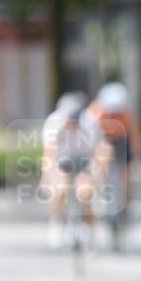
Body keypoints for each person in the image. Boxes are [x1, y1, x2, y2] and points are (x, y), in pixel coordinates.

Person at [41, 92, 104, 247]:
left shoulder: (90, 122)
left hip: (84, 159)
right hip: (63, 159)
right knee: (60, 189)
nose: (73, 123)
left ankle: (89, 229)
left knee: (86, 192)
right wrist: (46, 176)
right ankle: (57, 222)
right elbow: (49, 153)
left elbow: (99, 151)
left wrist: (98, 175)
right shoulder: (54, 124)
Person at [88, 81, 141, 223]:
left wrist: (139, 156)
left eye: (117, 112)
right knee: (100, 166)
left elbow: (135, 137)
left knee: (125, 174)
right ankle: (100, 198)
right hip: (102, 139)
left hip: (122, 140)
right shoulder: (95, 114)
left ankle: (127, 207)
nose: (114, 115)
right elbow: (91, 140)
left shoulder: (127, 115)